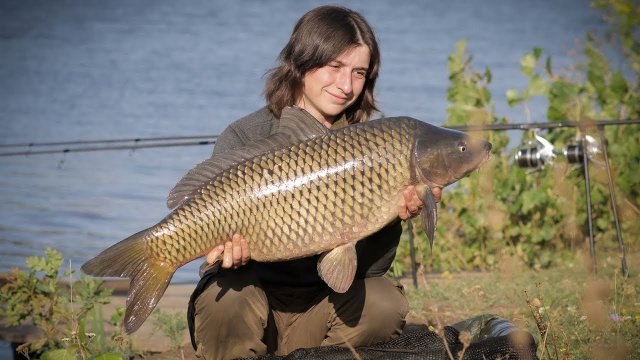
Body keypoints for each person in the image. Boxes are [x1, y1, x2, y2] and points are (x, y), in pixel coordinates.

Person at [187, 5, 442, 359]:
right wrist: (228, 256)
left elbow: (374, 270)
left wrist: (394, 215)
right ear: (301, 62)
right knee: (225, 297)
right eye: (334, 66)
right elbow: (216, 257)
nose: (346, 85)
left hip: (325, 313)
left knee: (384, 301)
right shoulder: (244, 136)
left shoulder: (373, 148)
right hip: (256, 305)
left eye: (359, 72)